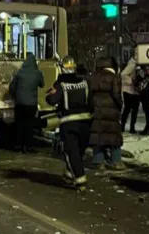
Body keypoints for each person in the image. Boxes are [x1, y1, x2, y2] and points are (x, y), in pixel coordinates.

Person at [45, 56, 92, 191]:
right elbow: (91, 101)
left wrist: (49, 95)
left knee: (71, 151)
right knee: (80, 149)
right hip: (85, 121)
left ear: (62, 68)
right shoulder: (84, 82)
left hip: (69, 122)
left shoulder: (60, 84)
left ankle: (80, 178)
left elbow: (53, 100)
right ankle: (69, 173)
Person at [86, 57, 125, 170]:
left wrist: (91, 108)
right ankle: (116, 161)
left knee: (97, 136)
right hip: (111, 111)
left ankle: (98, 162)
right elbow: (117, 95)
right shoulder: (114, 78)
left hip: (97, 110)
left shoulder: (93, 77)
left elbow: (89, 96)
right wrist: (120, 106)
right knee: (114, 136)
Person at [9, 53, 45, 153]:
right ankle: (29, 146)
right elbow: (42, 84)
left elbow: (12, 87)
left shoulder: (19, 72)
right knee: (30, 125)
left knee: (20, 124)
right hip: (32, 104)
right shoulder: (38, 73)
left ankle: (18, 145)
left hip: (20, 103)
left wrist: (14, 96)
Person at [133, 64, 149, 135]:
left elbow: (141, 77)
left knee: (147, 109)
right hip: (146, 89)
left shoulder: (143, 67)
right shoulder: (146, 66)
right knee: (147, 109)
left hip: (144, 90)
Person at [120, 57, 140, 133]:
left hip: (135, 90)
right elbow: (123, 74)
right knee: (127, 109)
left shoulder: (138, 63)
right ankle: (123, 126)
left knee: (133, 110)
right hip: (128, 90)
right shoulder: (132, 63)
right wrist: (132, 81)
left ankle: (131, 127)